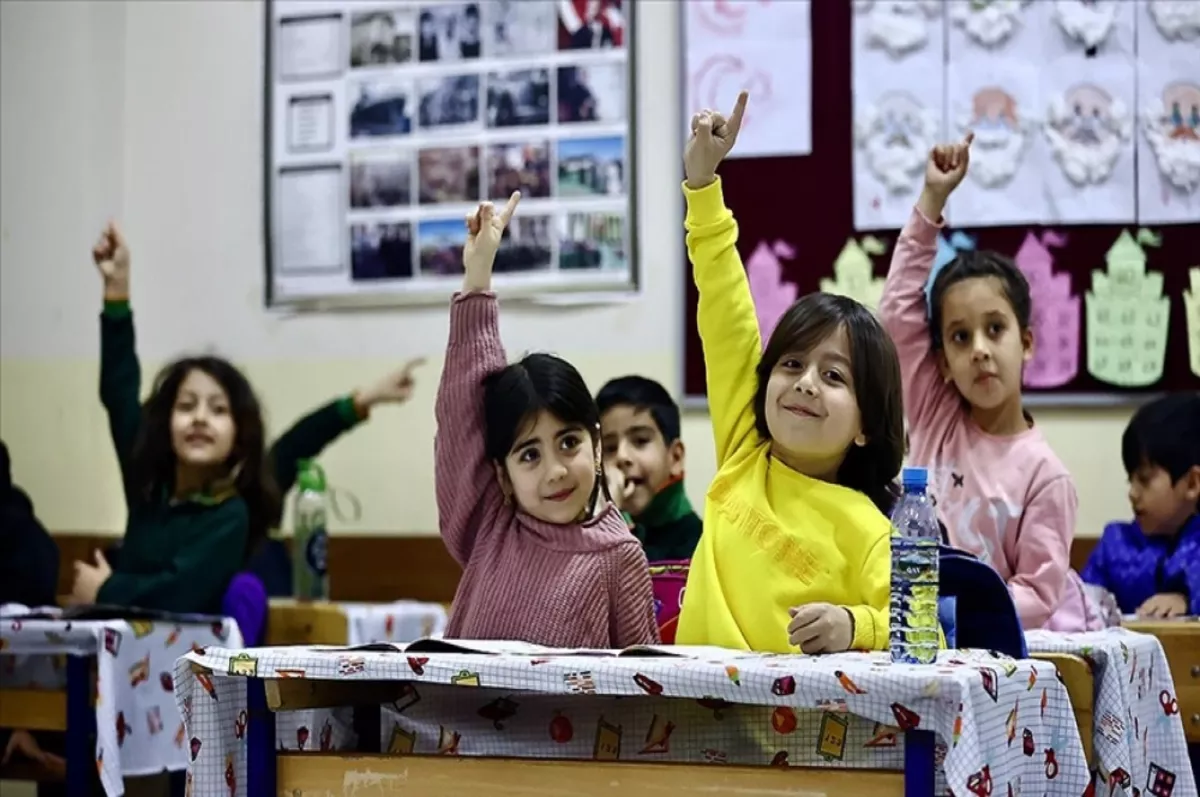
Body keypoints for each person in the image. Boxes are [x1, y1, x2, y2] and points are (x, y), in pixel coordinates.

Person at [676, 93, 906, 654]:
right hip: (688, 725)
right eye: (793, 364)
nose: (805, 382)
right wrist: (704, 186)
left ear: (865, 426)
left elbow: (924, 633)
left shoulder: (870, 529)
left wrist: (855, 627)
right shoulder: (744, 451)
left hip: (794, 739)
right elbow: (726, 311)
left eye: (835, 377)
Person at [878, 135, 1094, 631]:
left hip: (994, 661)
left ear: (1028, 342)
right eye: (959, 336)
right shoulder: (936, 411)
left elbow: (1038, 595)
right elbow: (895, 312)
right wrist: (932, 199)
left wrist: (950, 613)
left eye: (995, 329)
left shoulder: (1046, 477)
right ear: (944, 363)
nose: (979, 348)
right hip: (918, 640)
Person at [434, 192, 657, 648]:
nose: (555, 470)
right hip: (455, 722)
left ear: (597, 446)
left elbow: (642, 693)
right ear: (502, 474)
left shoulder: (619, 557)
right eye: (529, 454)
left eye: (569, 443)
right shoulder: (490, 525)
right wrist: (477, 279)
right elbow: (463, 416)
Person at [65, 223, 280, 615]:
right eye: (186, 406)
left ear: (239, 434)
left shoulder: (230, 514)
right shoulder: (148, 486)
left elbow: (181, 592)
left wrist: (107, 588)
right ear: (165, 422)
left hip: (183, 666)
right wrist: (117, 294)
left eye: (217, 410)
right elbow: (119, 394)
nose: (199, 418)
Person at [1082, 393, 1200, 618]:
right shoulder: (1114, 545)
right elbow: (1080, 603)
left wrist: (1187, 601)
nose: (1132, 493)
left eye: (1144, 479)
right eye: (1130, 480)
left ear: (1192, 483)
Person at [596, 376, 702, 563]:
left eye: (640, 441)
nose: (622, 456)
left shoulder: (703, 545)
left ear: (675, 457)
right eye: (610, 447)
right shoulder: (590, 536)